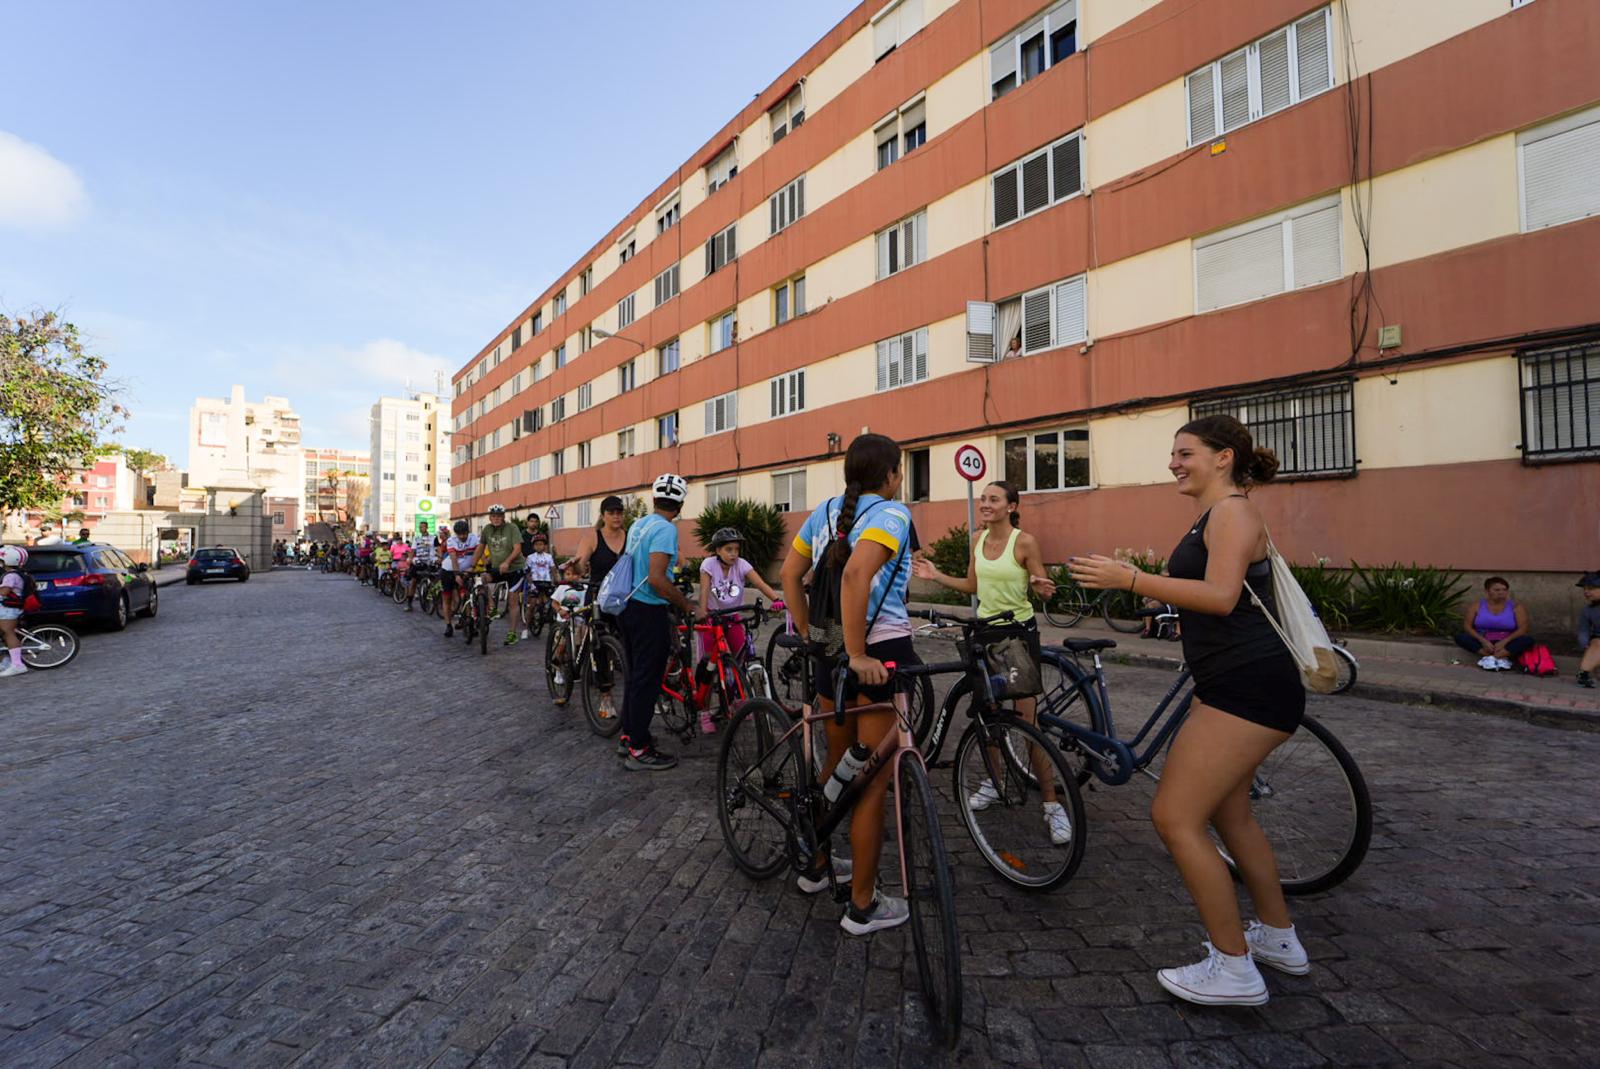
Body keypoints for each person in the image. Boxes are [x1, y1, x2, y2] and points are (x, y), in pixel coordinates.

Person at [1069, 414, 1306, 1007]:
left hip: (1248, 687)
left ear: (1223, 457)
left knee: (1175, 818)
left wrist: (1131, 578)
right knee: (1231, 816)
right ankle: (1279, 939)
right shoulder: (1219, 512)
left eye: (1185, 452)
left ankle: (1232, 968)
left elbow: (1222, 598)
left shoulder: (1232, 511)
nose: (1174, 462)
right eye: (1173, 453)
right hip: (1234, 684)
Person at [781, 433, 916, 935]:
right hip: (876, 654)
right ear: (891, 474)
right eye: (900, 471)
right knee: (870, 784)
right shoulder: (893, 514)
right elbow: (858, 574)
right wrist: (860, 652)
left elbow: (792, 572)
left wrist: (811, 635)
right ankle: (863, 904)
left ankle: (816, 865)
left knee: (837, 767)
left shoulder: (826, 510)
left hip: (828, 654)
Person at [912, 481, 1071, 845]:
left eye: (993, 499)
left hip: (1017, 636)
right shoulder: (977, 540)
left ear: (1012, 506)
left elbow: (1039, 583)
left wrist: (1043, 588)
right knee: (989, 715)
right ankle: (995, 783)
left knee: (1027, 722)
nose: (985, 504)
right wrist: (935, 575)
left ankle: (1051, 804)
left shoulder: (1024, 542)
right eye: (983, 499)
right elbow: (973, 585)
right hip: (984, 635)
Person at [617, 474, 695, 771]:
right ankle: (639, 748)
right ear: (680, 505)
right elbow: (657, 578)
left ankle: (629, 735)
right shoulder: (665, 530)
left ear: (654, 500)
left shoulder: (640, 524)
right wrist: (686, 603)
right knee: (648, 680)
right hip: (649, 611)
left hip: (629, 608)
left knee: (636, 676)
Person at [696, 527, 782, 734]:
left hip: (733, 618)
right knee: (709, 665)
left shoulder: (742, 565)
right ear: (718, 550)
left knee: (738, 660)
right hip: (712, 619)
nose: (734, 553)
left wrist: (777, 599)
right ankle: (704, 712)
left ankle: (735, 700)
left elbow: (760, 583)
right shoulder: (708, 565)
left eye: (736, 549)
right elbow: (705, 590)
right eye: (728, 549)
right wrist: (701, 610)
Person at [573, 495, 629, 722]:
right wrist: (576, 564)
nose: (616, 516)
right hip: (598, 596)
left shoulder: (629, 536)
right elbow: (580, 565)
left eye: (619, 512)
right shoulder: (592, 536)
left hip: (623, 598)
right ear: (603, 515)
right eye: (611, 512)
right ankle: (606, 696)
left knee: (633, 640)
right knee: (600, 644)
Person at [1452, 577, 1533, 671]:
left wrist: (1504, 641)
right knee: (1461, 637)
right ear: (1487, 591)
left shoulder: (1516, 607)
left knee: (1527, 640)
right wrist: (1483, 641)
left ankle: (1493, 658)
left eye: (1504, 590)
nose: (1501, 592)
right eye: (1496, 590)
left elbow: (1523, 628)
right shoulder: (1476, 606)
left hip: (1506, 640)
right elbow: (1467, 626)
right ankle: (1496, 657)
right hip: (1483, 640)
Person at [472, 505, 525, 646]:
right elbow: (480, 548)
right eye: (494, 516)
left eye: (499, 516)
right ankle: (491, 605)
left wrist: (507, 562)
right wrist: (472, 565)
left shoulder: (512, 528)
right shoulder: (487, 530)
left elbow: (518, 548)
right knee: (482, 579)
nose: (496, 518)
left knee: (513, 600)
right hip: (498, 568)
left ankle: (512, 633)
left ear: (503, 517)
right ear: (490, 517)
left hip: (515, 569)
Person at [440, 518, 478, 637]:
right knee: (447, 598)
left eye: (464, 533)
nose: (462, 536)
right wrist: (456, 574)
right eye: (459, 534)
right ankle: (448, 625)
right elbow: (453, 558)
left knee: (465, 596)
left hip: (465, 571)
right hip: (449, 570)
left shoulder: (474, 538)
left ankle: (467, 621)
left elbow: (480, 552)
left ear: (468, 531)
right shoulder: (451, 540)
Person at [0, 545, 31, 677]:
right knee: (4, 634)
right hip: (8, 609)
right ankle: (5, 661)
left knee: (8, 634)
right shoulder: (19, 573)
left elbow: (4, 592)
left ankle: (18, 665)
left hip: (8, 610)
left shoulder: (10, 576)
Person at [522, 531, 556, 639]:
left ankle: (553, 629)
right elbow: (527, 572)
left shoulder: (549, 557)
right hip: (535, 582)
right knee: (532, 605)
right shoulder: (530, 557)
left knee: (551, 605)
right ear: (533, 546)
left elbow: (553, 570)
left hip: (546, 582)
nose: (539, 546)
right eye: (536, 544)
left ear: (545, 545)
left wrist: (556, 580)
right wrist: (530, 582)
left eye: (541, 544)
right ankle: (526, 628)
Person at [1576, 572, 1600, 689]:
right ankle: (1583, 675)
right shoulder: (1588, 610)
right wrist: (1584, 644)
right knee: (1597, 642)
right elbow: (1583, 630)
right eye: (1584, 589)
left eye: (1591, 588)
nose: (1586, 592)